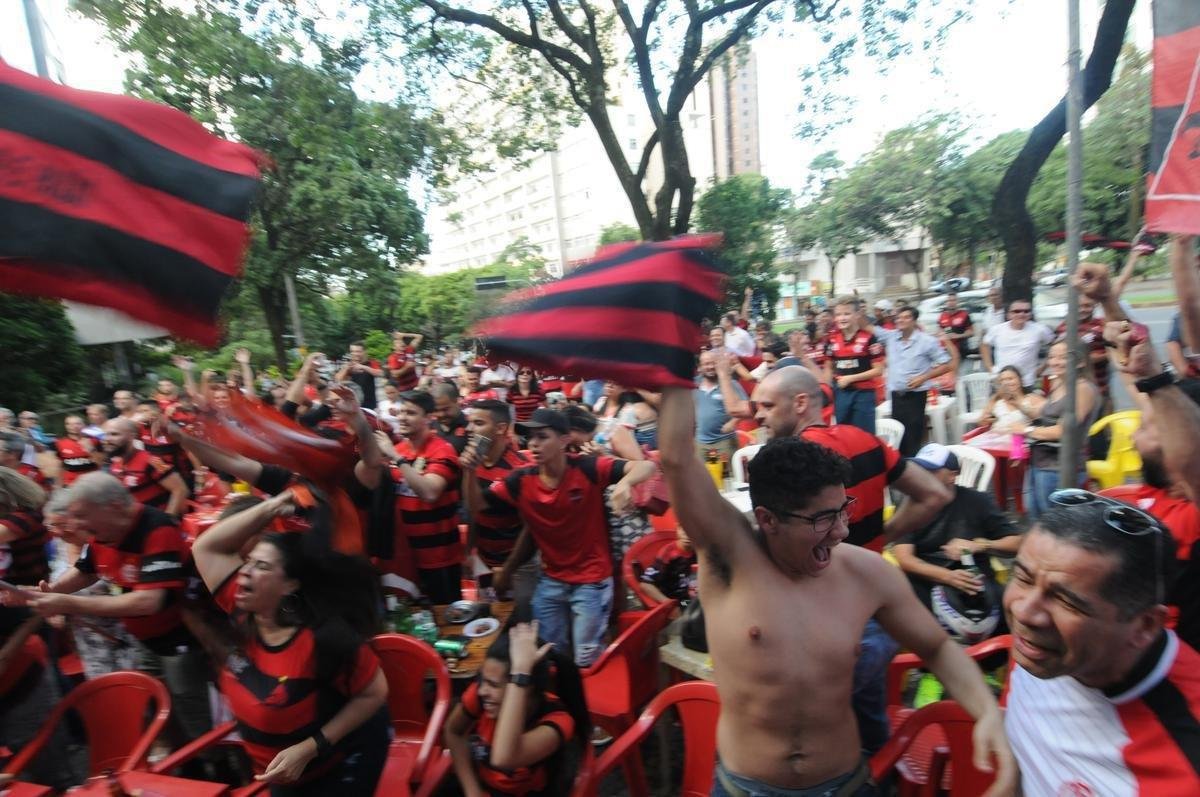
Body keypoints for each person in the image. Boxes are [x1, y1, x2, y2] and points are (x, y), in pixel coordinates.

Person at [655, 386, 1013, 795]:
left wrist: (985, 710)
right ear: (768, 519)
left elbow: (938, 648)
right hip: (745, 787)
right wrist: (677, 349)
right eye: (823, 518)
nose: (842, 531)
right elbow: (677, 458)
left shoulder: (866, 572)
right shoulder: (730, 562)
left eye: (844, 511)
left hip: (844, 785)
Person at [750, 365, 954, 755]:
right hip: (874, 610)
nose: (757, 415)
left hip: (825, 621)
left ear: (801, 403)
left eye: (766, 405)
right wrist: (884, 536)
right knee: (869, 723)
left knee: (811, 739)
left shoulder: (791, 461)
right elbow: (935, 494)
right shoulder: (863, 438)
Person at [192, 488, 390, 794]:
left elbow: (374, 695)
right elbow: (205, 547)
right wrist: (275, 505)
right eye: (247, 562)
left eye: (262, 567)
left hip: (340, 765)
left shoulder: (323, 638)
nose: (244, 573)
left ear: (289, 585)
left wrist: (309, 748)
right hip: (283, 777)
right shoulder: (245, 607)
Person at [1003, 492, 1200, 795]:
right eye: (1023, 578)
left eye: (1066, 601)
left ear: (1144, 626)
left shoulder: (1187, 754)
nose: (1024, 612)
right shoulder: (1040, 649)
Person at [26, 473, 214, 762]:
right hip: (144, 638)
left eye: (81, 515)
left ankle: (218, 769)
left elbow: (149, 601)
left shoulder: (156, 528)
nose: (76, 525)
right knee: (159, 712)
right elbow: (87, 570)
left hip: (181, 637)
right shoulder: (102, 533)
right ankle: (184, 767)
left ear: (113, 505)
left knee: (191, 709)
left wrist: (67, 603)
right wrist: (50, 591)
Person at [485, 409, 655, 667]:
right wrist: (468, 471)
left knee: (586, 658)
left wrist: (625, 483)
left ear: (564, 440)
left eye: (542, 436)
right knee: (550, 654)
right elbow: (480, 508)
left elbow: (647, 464)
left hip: (592, 581)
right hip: (552, 579)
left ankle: (587, 700)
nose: (533, 444)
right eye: (531, 438)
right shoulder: (523, 479)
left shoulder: (587, 468)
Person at [444, 620, 589, 797]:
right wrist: (472, 790)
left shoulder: (557, 721)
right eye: (483, 680)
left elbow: (503, 757)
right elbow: (453, 731)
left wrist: (521, 671)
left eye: (493, 685)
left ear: (526, 688)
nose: (482, 691)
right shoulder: (483, 695)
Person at [891, 444, 1022, 620]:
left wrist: (980, 545)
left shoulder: (977, 501)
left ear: (952, 475)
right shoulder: (909, 504)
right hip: (927, 580)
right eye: (919, 469)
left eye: (931, 470)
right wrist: (948, 577)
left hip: (975, 580)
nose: (921, 476)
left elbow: (1017, 543)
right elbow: (905, 558)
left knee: (1009, 612)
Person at [356, 390, 463, 603]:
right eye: (402, 412)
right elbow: (366, 479)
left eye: (411, 413)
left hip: (439, 557)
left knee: (446, 621)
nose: (403, 417)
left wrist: (397, 458)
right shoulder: (398, 448)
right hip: (403, 557)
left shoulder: (442, 450)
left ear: (429, 418)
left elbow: (430, 493)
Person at [458, 400, 536, 604]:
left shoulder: (520, 469)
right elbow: (474, 511)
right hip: (484, 560)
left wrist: (508, 569)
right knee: (489, 619)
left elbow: (530, 528)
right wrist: (469, 552)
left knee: (519, 620)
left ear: (501, 428)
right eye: (469, 422)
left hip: (517, 566)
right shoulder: (473, 463)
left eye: (478, 423)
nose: (469, 429)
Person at [1020, 341, 1099, 519]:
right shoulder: (1059, 384)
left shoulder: (1082, 389)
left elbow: (1063, 431)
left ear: (1080, 362)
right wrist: (1017, 399)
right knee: (1037, 518)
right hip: (1040, 462)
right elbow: (1043, 414)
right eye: (1052, 357)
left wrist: (1025, 430)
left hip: (1059, 467)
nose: (1055, 362)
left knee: (1055, 522)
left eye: (1063, 357)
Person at [876, 306, 952, 457]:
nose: (901, 320)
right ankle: (902, 470)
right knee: (899, 435)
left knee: (913, 437)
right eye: (898, 318)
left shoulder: (927, 341)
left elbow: (946, 365)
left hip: (916, 395)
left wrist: (923, 377)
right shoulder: (891, 337)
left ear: (914, 320)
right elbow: (869, 327)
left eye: (906, 317)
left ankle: (915, 468)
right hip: (896, 395)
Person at [102, 417, 190, 516]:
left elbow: (180, 489)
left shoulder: (152, 461)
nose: (107, 439)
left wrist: (167, 520)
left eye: (114, 434)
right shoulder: (115, 466)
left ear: (132, 436)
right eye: (106, 434)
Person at [825, 295, 885, 434]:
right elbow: (828, 367)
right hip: (841, 393)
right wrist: (827, 388)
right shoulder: (832, 338)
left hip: (863, 394)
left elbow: (878, 370)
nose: (842, 318)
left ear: (857, 314)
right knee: (844, 433)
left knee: (864, 435)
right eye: (838, 314)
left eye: (847, 313)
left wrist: (851, 378)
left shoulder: (869, 338)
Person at [980, 299, 1054, 389]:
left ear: (1030, 314)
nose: (1021, 314)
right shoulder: (997, 330)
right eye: (1016, 311)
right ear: (1009, 314)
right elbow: (984, 345)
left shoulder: (1040, 329)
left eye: (1026, 311)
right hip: (1002, 381)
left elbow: (1054, 346)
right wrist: (990, 368)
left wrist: (1043, 367)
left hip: (1027, 382)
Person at [1055, 296, 1111, 406]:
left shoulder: (1103, 325)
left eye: (1087, 306)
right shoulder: (1062, 327)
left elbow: (1116, 351)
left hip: (1099, 385)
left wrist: (1089, 358)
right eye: (1078, 306)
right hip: (1069, 389)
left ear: (1094, 306)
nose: (1082, 309)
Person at [694, 351, 750, 462]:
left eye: (713, 363)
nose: (710, 367)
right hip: (701, 443)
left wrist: (733, 422)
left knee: (727, 475)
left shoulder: (730, 384)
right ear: (700, 367)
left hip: (724, 442)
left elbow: (746, 407)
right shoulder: (694, 385)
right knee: (705, 476)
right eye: (706, 364)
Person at [637, 526, 697, 607]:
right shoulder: (668, 554)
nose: (687, 535)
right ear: (678, 529)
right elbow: (645, 584)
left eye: (691, 531)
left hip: (693, 599)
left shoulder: (702, 551)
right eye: (684, 530)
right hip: (677, 603)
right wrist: (669, 605)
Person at [977, 366, 1035, 434]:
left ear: (1020, 380)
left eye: (1010, 379)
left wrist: (1016, 401)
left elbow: (1039, 418)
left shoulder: (1031, 398)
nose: (1006, 383)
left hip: (1019, 440)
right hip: (995, 439)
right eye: (1002, 380)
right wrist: (986, 420)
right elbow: (981, 422)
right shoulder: (995, 399)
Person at [432, 382, 471, 455]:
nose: (441, 414)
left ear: (457, 401)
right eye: (436, 410)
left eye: (445, 409)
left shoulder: (471, 426)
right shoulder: (429, 427)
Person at [938, 292, 975, 359]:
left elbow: (971, 332)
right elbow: (941, 330)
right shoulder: (943, 315)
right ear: (946, 302)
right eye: (949, 301)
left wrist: (958, 336)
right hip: (944, 350)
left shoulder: (964, 314)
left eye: (954, 300)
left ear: (958, 302)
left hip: (959, 350)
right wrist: (944, 334)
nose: (951, 302)